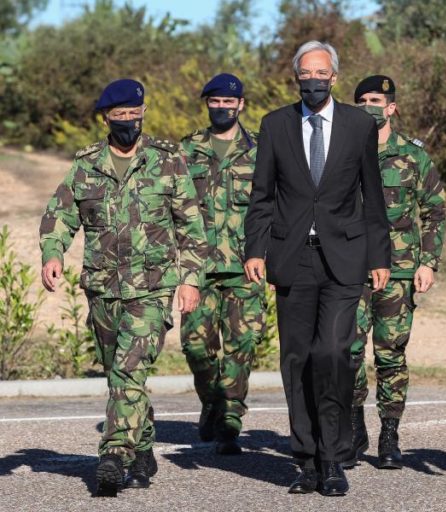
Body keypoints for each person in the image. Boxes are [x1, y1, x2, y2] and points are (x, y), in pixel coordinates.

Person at [39, 79, 207, 495]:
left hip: (150, 289)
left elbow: (191, 227)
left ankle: (114, 453)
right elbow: (60, 215)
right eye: (121, 116)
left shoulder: (167, 160)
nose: (130, 122)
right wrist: (53, 254)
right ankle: (143, 445)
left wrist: (189, 280)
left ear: (143, 113)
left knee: (130, 370)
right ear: (106, 118)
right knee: (121, 374)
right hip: (102, 288)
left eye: (136, 114)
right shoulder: (87, 164)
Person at [243, 41, 390, 496]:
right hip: (293, 259)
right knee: (297, 360)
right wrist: (255, 249)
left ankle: (334, 456)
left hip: (345, 258)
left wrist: (380, 256)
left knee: (332, 353)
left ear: (334, 77)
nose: (313, 80)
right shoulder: (275, 126)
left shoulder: (357, 125)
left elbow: (372, 193)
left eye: (320, 73)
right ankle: (306, 461)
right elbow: (262, 195)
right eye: (305, 73)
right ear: (295, 78)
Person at [344, 75, 446, 470]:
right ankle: (355, 427)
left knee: (390, 353)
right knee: (349, 351)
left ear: (391, 108)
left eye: (376, 100)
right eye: (362, 100)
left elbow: (435, 211)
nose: (369, 106)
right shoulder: (344, 150)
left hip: (401, 268)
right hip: (351, 267)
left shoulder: (413, 156)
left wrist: (428, 262)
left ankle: (389, 431)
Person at [179, 73, 265, 455]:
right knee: (196, 346)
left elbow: (273, 209)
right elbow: (171, 209)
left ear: (241, 104)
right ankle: (213, 399)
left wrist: (270, 257)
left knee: (243, 343)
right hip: (197, 267)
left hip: (246, 265)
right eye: (215, 102)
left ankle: (231, 417)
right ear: (207, 104)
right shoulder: (186, 151)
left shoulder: (262, 151)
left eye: (229, 102)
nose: (222, 108)